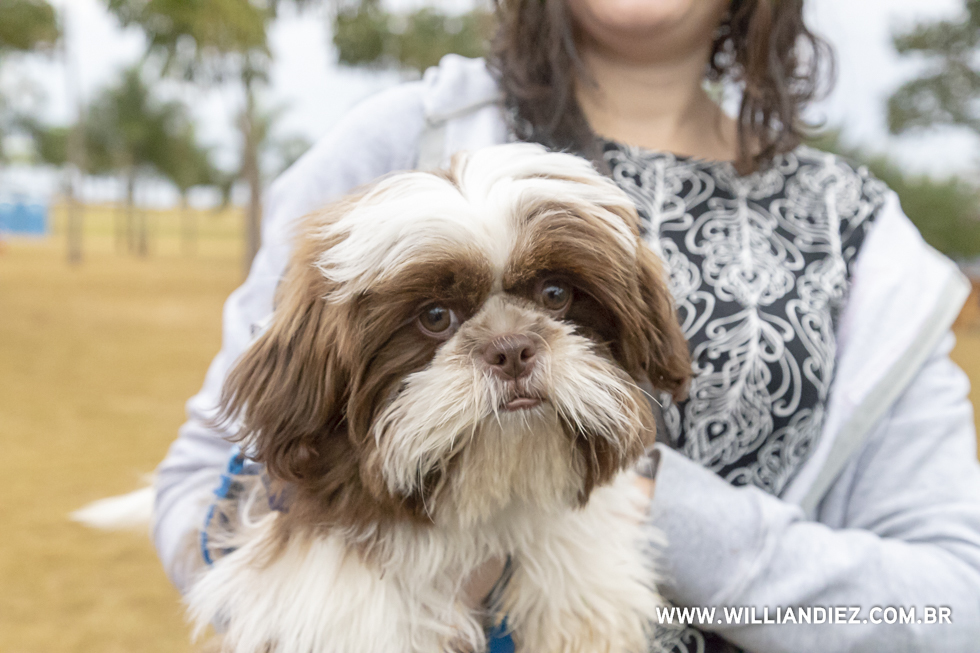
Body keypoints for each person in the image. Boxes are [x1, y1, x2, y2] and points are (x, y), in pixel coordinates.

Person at [153, 0, 980, 651]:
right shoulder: (400, 135)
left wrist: (658, 510)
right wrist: (275, 583)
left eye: (557, 302)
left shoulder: (863, 234)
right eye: (438, 317)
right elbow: (201, 479)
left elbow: (953, 607)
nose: (511, 345)